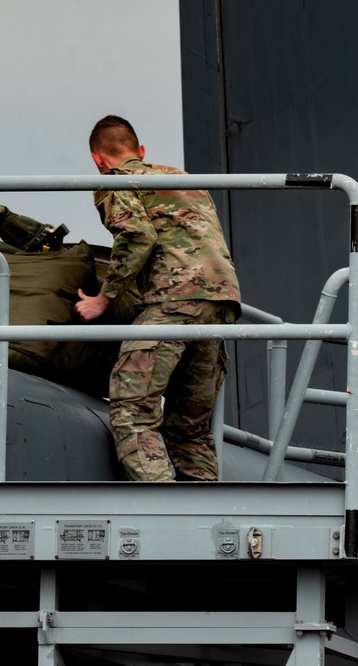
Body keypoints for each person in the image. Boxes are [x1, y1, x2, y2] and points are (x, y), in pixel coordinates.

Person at [75, 115, 240, 481]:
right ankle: (201, 520)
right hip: (220, 303)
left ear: (97, 160)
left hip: (174, 301)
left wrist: (104, 298)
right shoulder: (180, 178)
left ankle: (163, 510)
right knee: (190, 428)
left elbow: (136, 236)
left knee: (132, 412)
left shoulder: (116, 182)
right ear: (141, 151)